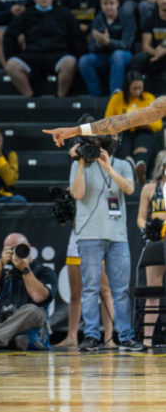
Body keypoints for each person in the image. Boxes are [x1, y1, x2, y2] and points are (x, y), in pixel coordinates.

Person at [67, 133, 143, 351]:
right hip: (89, 236)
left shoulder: (123, 164)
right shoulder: (79, 165)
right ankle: (91, 335)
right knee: (90, 288)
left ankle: (126, 335)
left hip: (117, 236)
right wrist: (81, 162)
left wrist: (108, 167)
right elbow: (78, 193)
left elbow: (129, 189)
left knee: (120, 290)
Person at [0, 232, 56, 350]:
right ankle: (10, 340)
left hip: (31, 327)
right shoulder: (5, 273)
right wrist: (1, 263)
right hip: (4, 322)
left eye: (18, 248)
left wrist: (25, 269)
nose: (14, 252)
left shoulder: (45, 272)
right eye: (9, 249)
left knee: (33, 310)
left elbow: (38, 297)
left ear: (28, 248)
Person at [3, 0, 85, 98]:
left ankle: (61, 96)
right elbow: (9, 35)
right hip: (32, 54)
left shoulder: (64, 14)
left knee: (70, 62)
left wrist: (78, 55)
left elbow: (76, 36)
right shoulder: (26, 14)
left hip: (58, 53)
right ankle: (29, 94)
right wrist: (10, 55)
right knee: (11, 66)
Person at [106, 72, 162, 184]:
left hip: (143, 130)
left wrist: (144, 121)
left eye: (140, 88)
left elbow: (158, 124)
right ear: (127, 87)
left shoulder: (148, 98)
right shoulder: (117, 98)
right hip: (124, 130)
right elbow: (108, 120)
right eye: (134, 88)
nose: (137, 91)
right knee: (122, 143)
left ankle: (140, 167)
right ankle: (129, 165)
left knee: (143, 143)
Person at [78, 0, 135, 97]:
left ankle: (115, 95)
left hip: (124, 55)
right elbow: (91, 47)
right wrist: (99, 43)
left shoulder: (127, 17)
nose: (108, 6)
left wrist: (108, 42)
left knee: (117, 55)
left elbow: (126, 44)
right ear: (100, 3)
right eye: (105, 3)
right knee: (84, 61)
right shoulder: (98, 19)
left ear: (117, 3)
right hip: (103, 55)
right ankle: (95, 96)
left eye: (111, 3)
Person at [135, 160, 166, 346]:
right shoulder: (149, 189)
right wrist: (148, 228)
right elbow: (140, 217)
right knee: (152, 291)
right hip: (155, 243)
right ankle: (147, 340)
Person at [130, 0, 166, 81]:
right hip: (155, 55)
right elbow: (145, 46)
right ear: (157, 0)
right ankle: (134, 89)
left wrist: (163, 51)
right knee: (138, 59)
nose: (164, 1)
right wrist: (157, 53)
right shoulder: (150, 19)